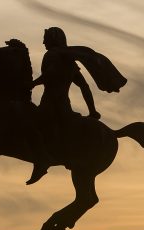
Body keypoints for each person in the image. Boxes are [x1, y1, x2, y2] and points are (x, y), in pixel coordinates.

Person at [26, 27, 102, 185]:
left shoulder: (52, 55)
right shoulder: (69, 61)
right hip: (64, 107)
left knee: (29, 124)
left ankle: (41, 161)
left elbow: (49, 75)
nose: (43, 42)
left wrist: (32, 83)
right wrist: (92, 110)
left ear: (53, 39)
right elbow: (84, 86)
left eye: (46, 38)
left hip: (51, 104)